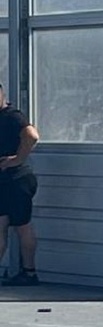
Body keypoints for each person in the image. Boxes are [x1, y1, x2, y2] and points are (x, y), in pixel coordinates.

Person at [0, 84, 39, 286]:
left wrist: (17, 159)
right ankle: (28, 272)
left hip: (16, 179)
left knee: (21, 226)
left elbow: (31, 136)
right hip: (6, 180)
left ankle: (29, 272)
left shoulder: (12, 115)